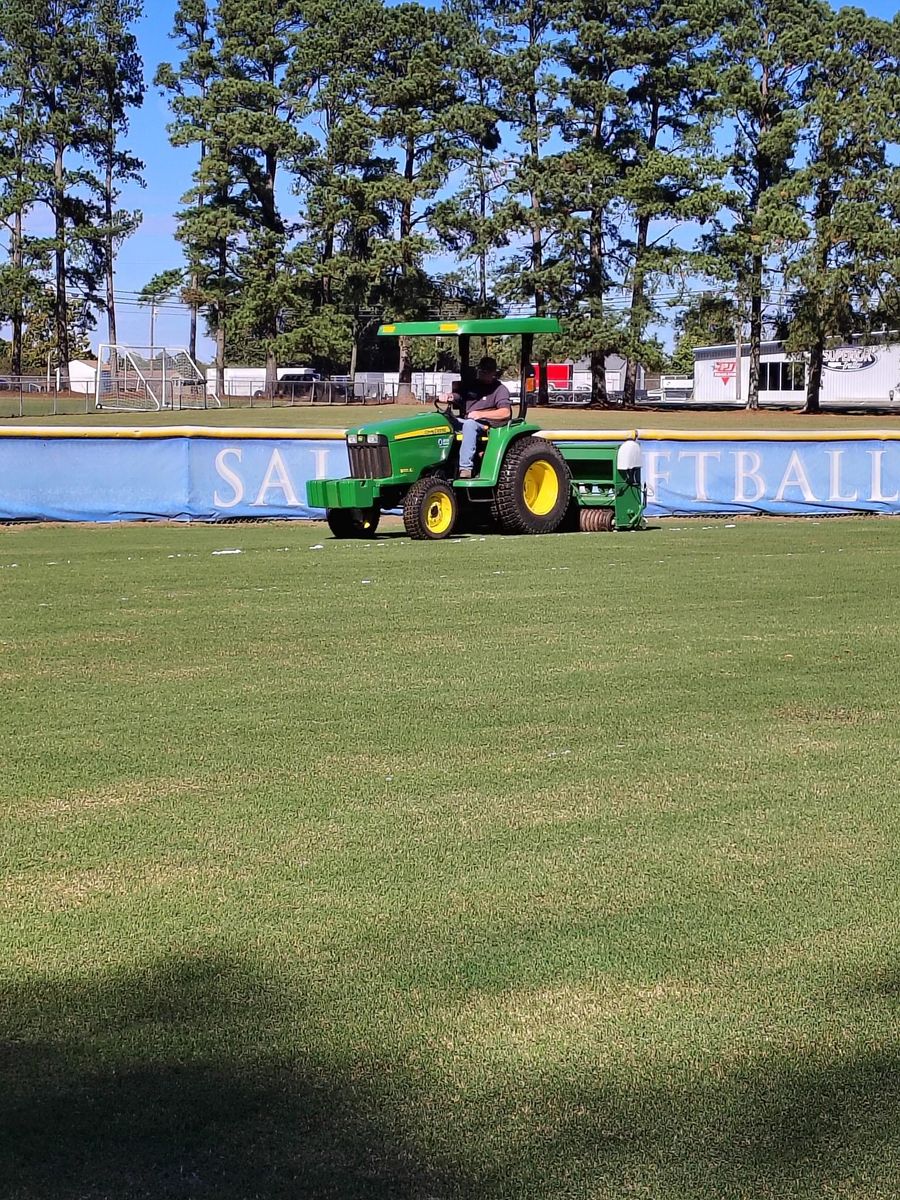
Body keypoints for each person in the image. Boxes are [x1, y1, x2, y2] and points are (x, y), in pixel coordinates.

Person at [443, 357, 512, 478]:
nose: (482, 373)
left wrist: (480, 414)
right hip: (466, 418)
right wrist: (449, 396)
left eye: (486, 371)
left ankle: (465, 468)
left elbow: (505, 412)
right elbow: (459, 396)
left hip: (486, 423)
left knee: (470, 424)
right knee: (442, 421)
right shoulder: (472, 385)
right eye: (481, 370)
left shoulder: (499, 389)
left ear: (493, 372)